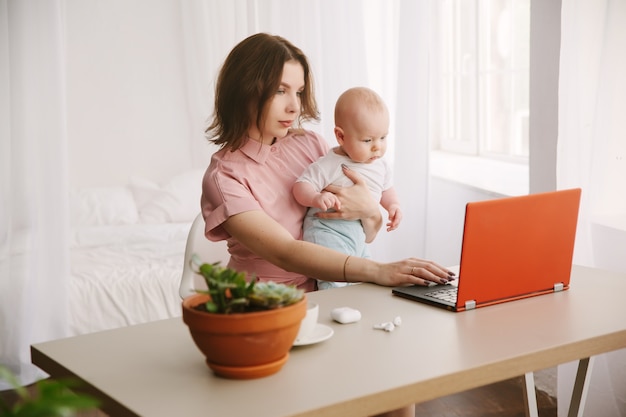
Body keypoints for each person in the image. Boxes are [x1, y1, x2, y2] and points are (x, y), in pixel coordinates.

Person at [200, 33, 454, 417]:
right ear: (246, 90)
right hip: (269, 309)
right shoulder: (226, 176)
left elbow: (360, 229)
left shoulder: (310, 144)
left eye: (299, 92)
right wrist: (378, 270)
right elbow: (286, 252)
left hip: (333, 290)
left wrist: (372, 212)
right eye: (280, 90)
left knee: (398, 386)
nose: (293, 106)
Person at [293, 87, 402, 290]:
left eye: (383, 138)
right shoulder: (331, 163)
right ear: (341, 136)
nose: (377, 147)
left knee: (365, 282)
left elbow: (386, 189)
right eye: (368, 140)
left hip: (358, 236)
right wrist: (316, 198)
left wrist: (393, 205)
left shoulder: (381, 164)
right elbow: (301, 186)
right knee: (333, 282)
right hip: (327, 232)